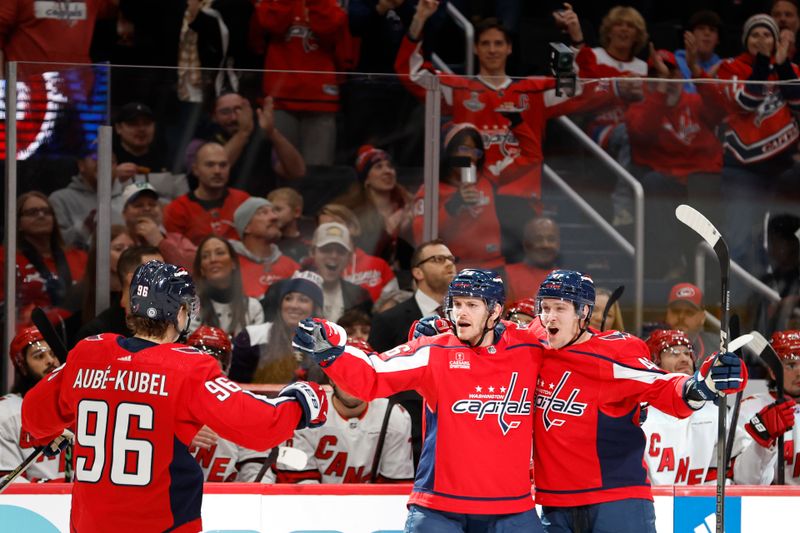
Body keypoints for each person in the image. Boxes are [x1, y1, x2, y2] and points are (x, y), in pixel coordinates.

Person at [20, 260, 328, 532]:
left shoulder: (88, 352)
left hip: (90, 525)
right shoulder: (187, 366)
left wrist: (47, 433)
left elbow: (33, 415)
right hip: (161, 525)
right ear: (180, 312)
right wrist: (302, 402)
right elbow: (260, 425)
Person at [292, 268, 547, 531]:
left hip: (513, 508)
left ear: (494, 312)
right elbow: (373, 375)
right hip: (441, 510)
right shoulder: (433, 351)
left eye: (472, 305)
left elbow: (563, 330)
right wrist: (332, 355)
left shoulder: (527, 347)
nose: (461, 312)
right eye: (457, 304)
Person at [532, 270, 748, 532]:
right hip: (556, 505)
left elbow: (662, 384)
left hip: (616, 500)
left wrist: (702, 385)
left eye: (560, 308)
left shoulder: (613, 354)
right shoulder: (533, 344)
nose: (550, 316)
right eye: (544, 308)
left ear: (584, 312)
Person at [701, 14, 800, 269]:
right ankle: (738, 302)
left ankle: (785, 295)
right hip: (743, 168)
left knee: (784, 239)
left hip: (785, 167)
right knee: (740, 239)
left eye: (767, 34)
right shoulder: (730, 68)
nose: (761, 39)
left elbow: (797, 102)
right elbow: (745, 102)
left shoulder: (791, 69)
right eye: (755, 34)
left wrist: (782, 66)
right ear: (746, 40)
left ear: (776, 39)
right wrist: (764, 62)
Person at [626, 46, 725, 279]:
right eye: (660, 74)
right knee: (654, 183)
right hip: (669, 181)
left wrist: (696, 71)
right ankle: (673, 264)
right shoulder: (640, 108)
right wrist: (659, 91)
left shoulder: (694, 102)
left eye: (672, 74)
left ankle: (708, 274)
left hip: (704, 178)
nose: (668, 80)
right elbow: (643, 132)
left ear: (681, 77)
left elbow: (721, 110)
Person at [641, 329, 776, 485]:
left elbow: (748, 479)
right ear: (653, 362)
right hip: (649, 505)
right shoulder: (640, 414)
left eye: (687, 353)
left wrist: (762, 444)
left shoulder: (712, 413)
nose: (684, 359)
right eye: (674, 353)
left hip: (700, 507)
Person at [269, 338, 414, 484]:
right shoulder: (305, 413)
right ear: (330, 377)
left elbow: (393, 488)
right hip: (313, 505)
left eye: (362, 373)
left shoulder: (394, 417)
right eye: (344, 373)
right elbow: (298, 486)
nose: (353, 383)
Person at [253, 0, 351, 165]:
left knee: (318, 172)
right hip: (281, 97)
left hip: (320, 98)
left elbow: (329, 31)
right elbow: (270, 25)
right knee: (284, 169)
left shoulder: (331, 3)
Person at [411, 123, 505, 271]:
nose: (471, 157)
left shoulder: (488, 178)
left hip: (493, 266)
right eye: (464, 149)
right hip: (453, 269)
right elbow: (421, 237)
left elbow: (529, 158)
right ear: (449, 153)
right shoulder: (432, 190)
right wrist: (453, 205)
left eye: (477, 152)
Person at [186, 325, 273, 482]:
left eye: (215, 360)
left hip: (226, 500)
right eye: (200, 360)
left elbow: (255, 464)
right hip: (175, 497)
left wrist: (255, 492)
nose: (207, 368)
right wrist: (181, 433)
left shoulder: (242, 407)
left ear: (225, 366)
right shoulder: (168, 396)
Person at [187, 92, 306, 198]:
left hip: (260, 211)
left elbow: (297, 172)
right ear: (214, 116)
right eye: (225, 112)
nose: (233, 118)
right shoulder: (199, 143)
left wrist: (272, 132)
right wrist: (243, 133)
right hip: (216, 209)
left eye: (238, 110)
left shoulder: (261, 141)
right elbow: (212, 172)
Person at [1, 191, 88, 329]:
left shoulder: (79, 257)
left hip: (77, 332)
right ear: (18, 223)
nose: (41, 215)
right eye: (32, 212)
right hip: (27, 335)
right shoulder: (6, 258)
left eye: (46, 211)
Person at [230, 271, 325, 384]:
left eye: (303, 300)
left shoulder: (327, 345)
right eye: (288, 298)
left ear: (315, 309)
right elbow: (237, 387)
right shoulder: (252, 337)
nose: (293, 305)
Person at [368, 239, 456, 353]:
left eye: (451, 259)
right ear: (418, 272)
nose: (449, 264)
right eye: (438, 259)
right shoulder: (387, 321)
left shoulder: (466, 315)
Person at [0, 327, 65, 483]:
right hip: (34, 505)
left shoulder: (81, 404)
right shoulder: (7, 413)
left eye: (53, 354)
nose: (50, 361)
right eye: (39, 356)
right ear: (23, 366)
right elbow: (9, 483)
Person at [736, 329, 800, 485]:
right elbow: (744, 481)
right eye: (791, 365)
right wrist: (762, 441)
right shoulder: (748, 410)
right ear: (772, 372)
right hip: (772, 505)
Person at [335, 145, 414, 268]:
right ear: (366, 179)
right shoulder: (354, 215)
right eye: (378, 167)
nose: (387, 171)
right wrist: (388, 231)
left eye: (390, 166)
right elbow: (361, 255)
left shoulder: (408, 206)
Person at [163, 141, 250, 245]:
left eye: (223, 165)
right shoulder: (177, 209)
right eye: (210, 165)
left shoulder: (243, 200)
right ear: (195, 169)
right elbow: (175, 252)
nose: (217, 171)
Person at [73, 246, 163, 345]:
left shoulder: (168, 325)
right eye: (157, 274)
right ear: (133, 279)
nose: (165, 280)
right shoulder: (96, 333)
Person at [318, 202, 399, 303]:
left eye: (335, 224)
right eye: (324, 227)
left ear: (352, 227)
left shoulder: (378, 265)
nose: (331, 231)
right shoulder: (314, 267)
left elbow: (393, 305)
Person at [49, 147, 125, 250]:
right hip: (79, 263)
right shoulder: (60, 199)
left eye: (110, 161)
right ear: (81, 166)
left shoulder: (129, 197)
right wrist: (84, 228)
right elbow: (54, 243)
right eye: (95, 159)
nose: (103, 164)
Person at [191, 235, 264, 336]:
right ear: (201, 269)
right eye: (205, 256)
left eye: (220, 253)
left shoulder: (253, 308)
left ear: (233, 263)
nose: (213, 259)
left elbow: (256, 350)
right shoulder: (191, 307)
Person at [230, 197, 300, 298]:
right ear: (246, 227)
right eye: (263, 212)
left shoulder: (292, 267)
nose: (274, 217)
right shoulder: (230, 267)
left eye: (274, 211)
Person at [121, 182, 197, 271]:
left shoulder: (179, 240)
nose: (147, 208)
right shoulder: (118, 243)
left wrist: (160, 242)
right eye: (138, 205)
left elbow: (193, 273)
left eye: (152, 204)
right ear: (124, 214)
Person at [504, 217, 560, 303]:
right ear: (526, 244)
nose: (545, 245)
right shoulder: (506, 275)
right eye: (538, 239)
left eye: (551, 239)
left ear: (558, 244)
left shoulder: (567, 279)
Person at [664, 282, 719, 362]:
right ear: (667, 313)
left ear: (702, 318)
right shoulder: (651, 346)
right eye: (676, 311)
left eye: (689, 312)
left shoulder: (717, 347)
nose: (681, 317)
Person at [674, 10, 722, 90]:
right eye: (701, 28)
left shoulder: (723, 66)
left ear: (718, 39)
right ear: (690, 34)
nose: (707, 33)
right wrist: (708, 78)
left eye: (712, 29)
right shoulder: (674, 63)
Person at [269, 187, 312, 263]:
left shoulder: (311, 239)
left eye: (278, 209)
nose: (273, 215)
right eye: (271, 210)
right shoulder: (268, 243)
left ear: (296, 212)